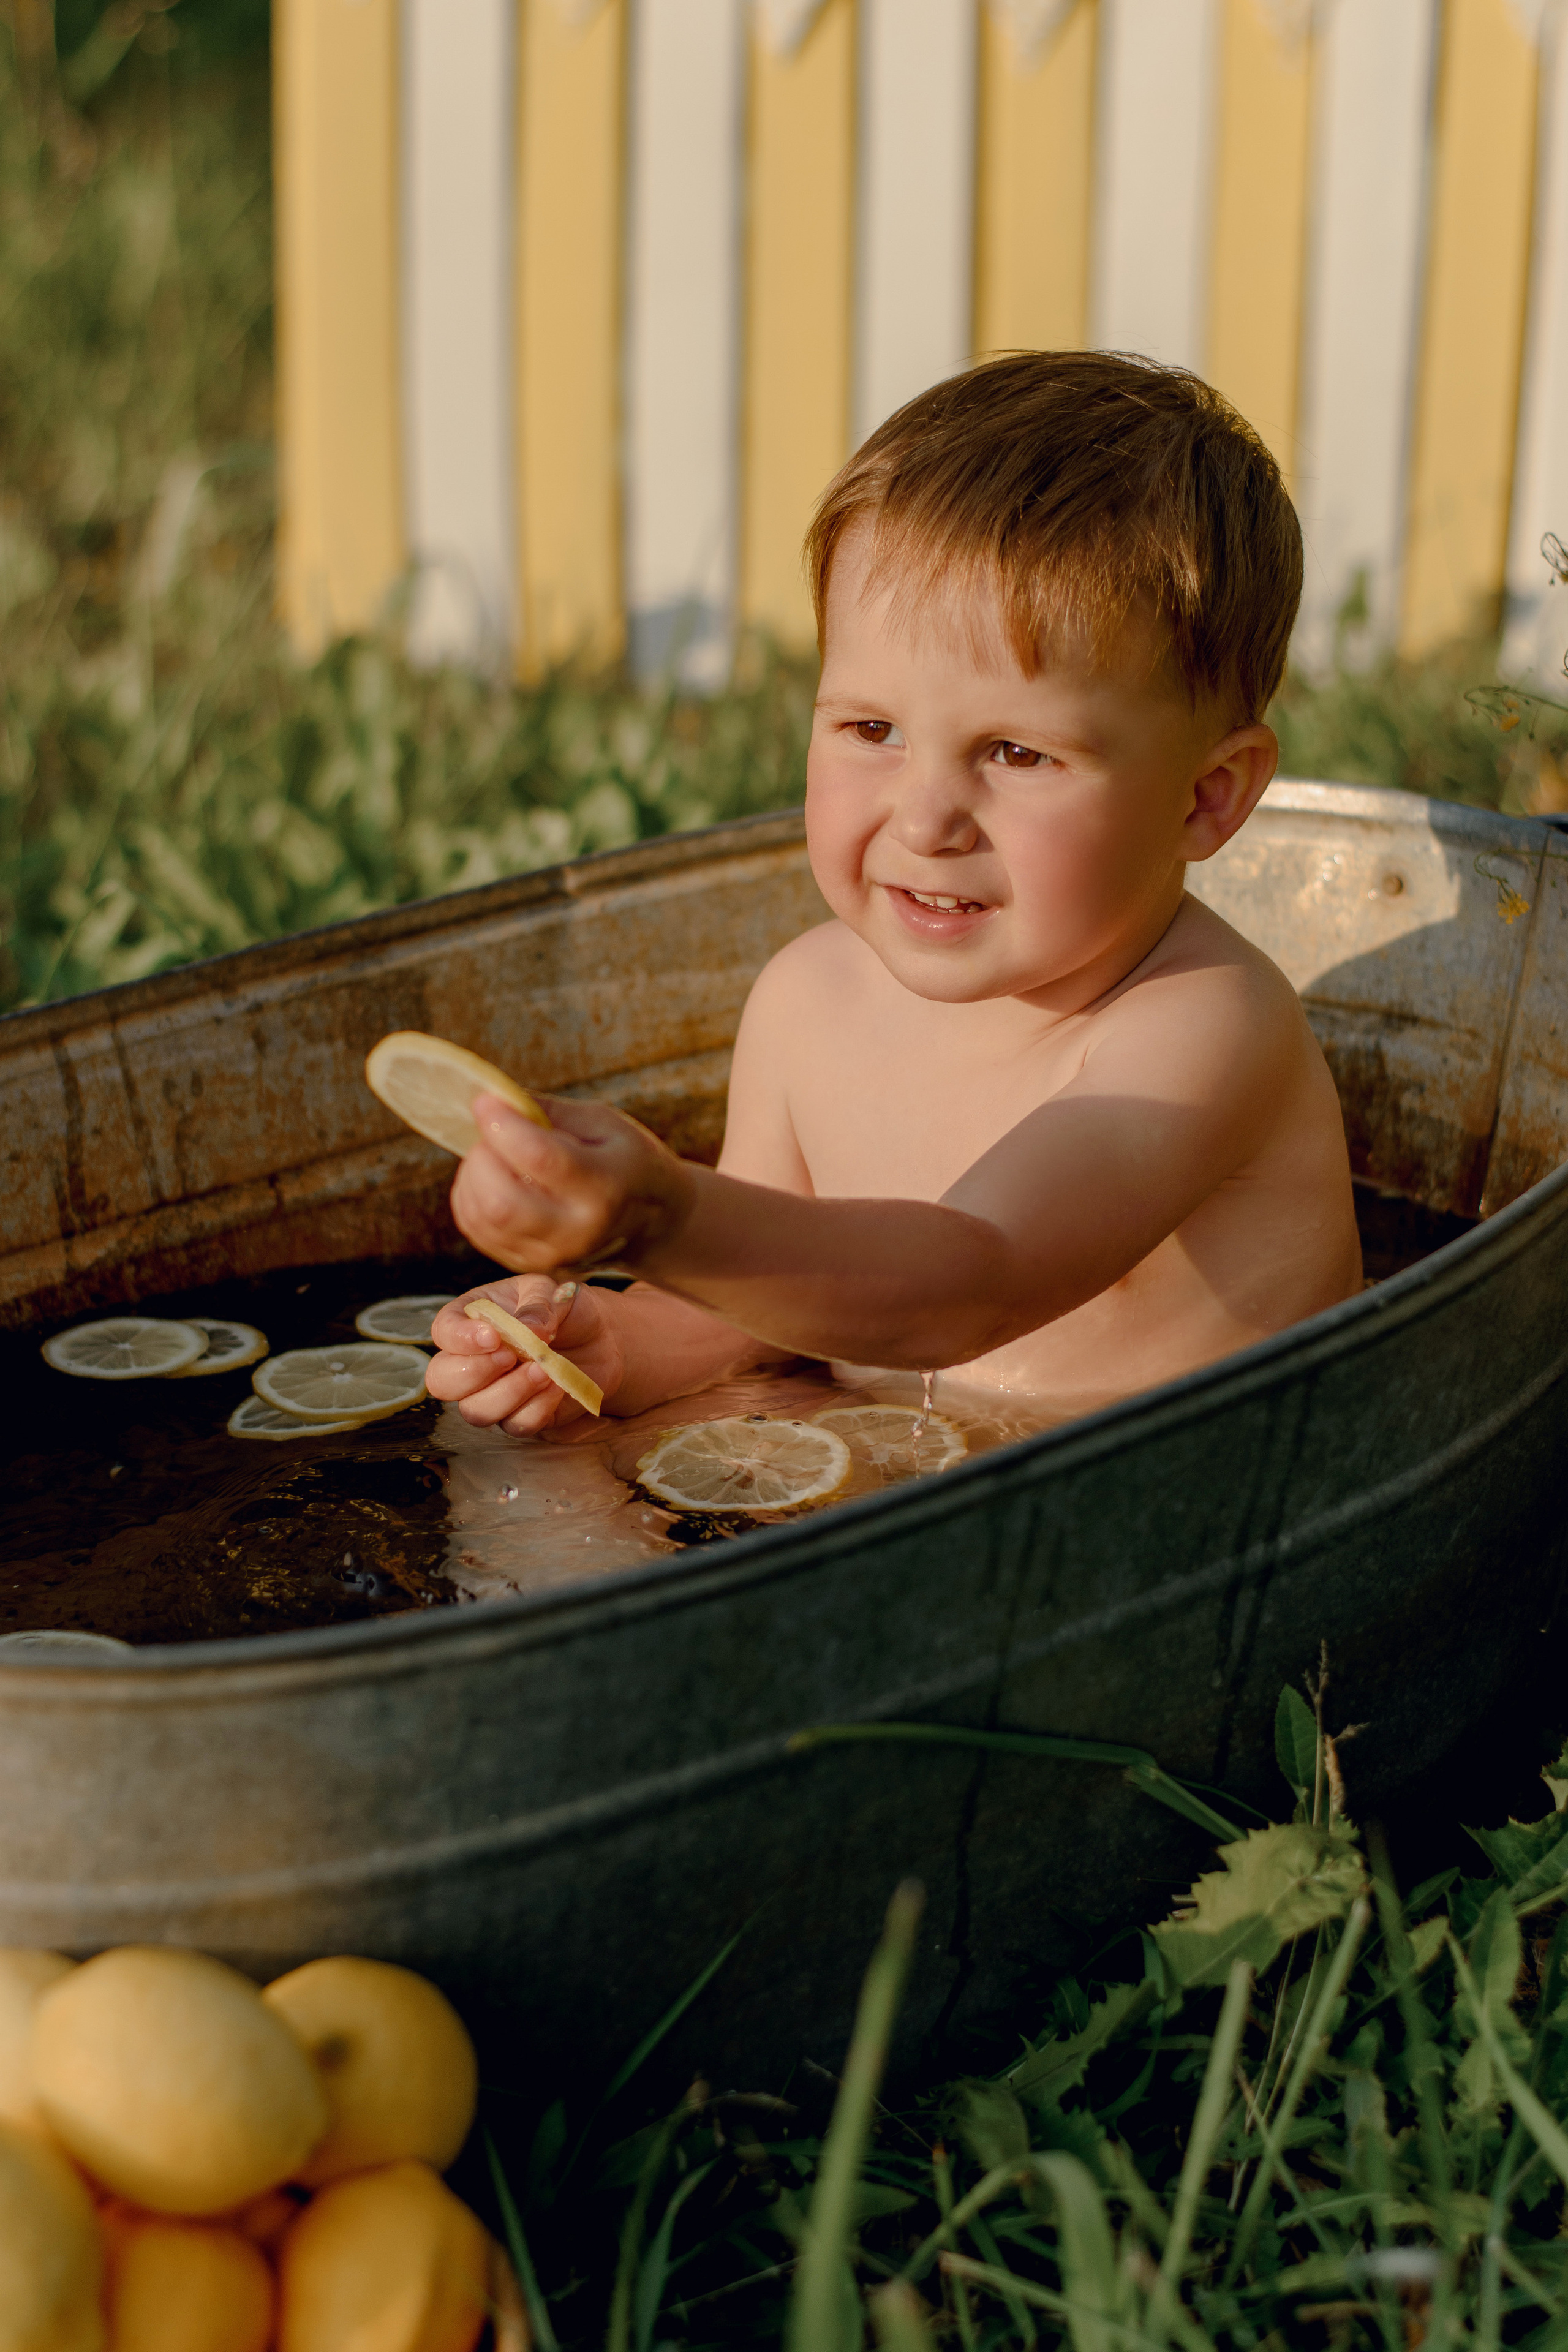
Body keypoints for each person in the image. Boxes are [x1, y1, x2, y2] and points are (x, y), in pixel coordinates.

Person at [426, 352, 1362, 1438]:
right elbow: (754, 1304)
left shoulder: (1203, 1030)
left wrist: (665, 1217)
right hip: (915, 1479)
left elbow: (974, 1285)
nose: (925, 822)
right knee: (522, 1457)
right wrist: (621, 1340)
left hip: (1203, 1498)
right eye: (872, 729)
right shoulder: (808, 1004)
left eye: (1016, 753)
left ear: (1208, 796)